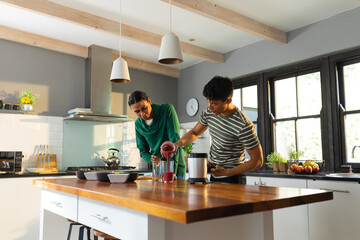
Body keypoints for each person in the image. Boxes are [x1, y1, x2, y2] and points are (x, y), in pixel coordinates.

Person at [174, 76, 263, 183]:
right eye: (208, 102)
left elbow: (257, 161)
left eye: (214, 104)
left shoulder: (243, 124)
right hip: (215, 174)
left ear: (228, 100)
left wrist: (226, 172)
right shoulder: (209, 113)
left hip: (234, 177)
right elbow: (195, 132)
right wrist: (177, 144)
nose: (210, 107)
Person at [128, 91, 186, 179]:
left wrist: (171, 172)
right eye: (137, 111)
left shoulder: (167, 110)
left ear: (149, 101)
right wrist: (151, 159)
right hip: (157, 171)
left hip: (176, 169)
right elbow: (143, 150)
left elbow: (174, 141)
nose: (142, 113)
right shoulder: (138, 124)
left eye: (144, 108)